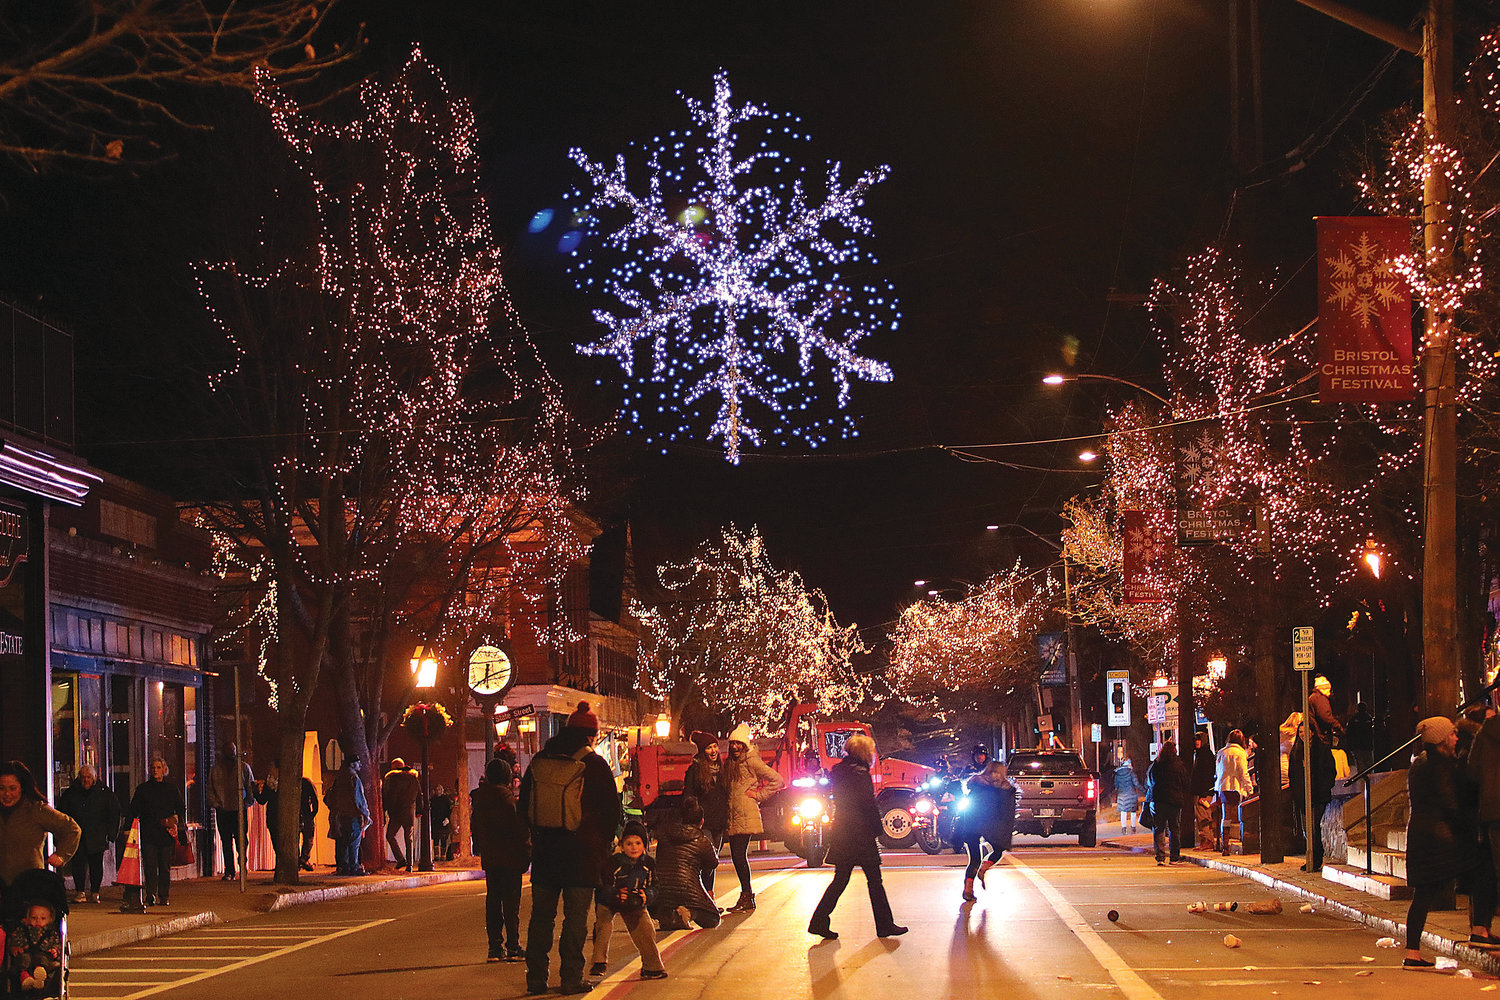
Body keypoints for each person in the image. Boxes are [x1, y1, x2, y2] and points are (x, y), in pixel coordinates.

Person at [521, 701, 622, 996]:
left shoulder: (540, 760)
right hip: (582, 855)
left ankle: (536, 978)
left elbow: (524, 804)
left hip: (546, 853)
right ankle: (570, 978)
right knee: (575, 919)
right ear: (591, 735)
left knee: (541, 918)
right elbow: (612, 813)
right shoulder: (594, 765)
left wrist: (536, 837)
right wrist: (603, 846)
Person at [1402, 716, 1498, 967]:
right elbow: (1450, 804)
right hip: (1442, 839)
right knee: (1484, 867)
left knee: (1422, 895)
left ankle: (1412, 952)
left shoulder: (1419, 764)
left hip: (1421, 837)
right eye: (1453, 734)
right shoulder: (1442, 766)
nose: (1456, 738)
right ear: (1443, 739)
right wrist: (1470, 826)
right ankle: (1479, 929)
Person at [807, 734, 906, 939]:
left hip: (843, 832)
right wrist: (878, 829)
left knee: (840, 879)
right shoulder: (860, 774)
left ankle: (819, 920)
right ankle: (884, 924)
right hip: (860, 834)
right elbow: (867, 804)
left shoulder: (840, 772)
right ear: (864, 753)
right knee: (874, 880)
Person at [588, 821, 665, 980]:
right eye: (629, 844)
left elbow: (655, 886)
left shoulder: (648, 864)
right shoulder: (612, 863)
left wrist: (646, 895)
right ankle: (599, 961)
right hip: (610, 899)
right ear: (622, 846)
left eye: (638, 843)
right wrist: (616, 894)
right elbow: (602, 888)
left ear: (644, 845)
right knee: (604, 924)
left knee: (646, 928)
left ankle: (652, 967)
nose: (634, 847)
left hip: (633, 900)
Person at [471, 757, 530, 963]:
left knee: (493, 901)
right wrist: (526, 853)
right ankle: (512, 945)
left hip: (491, 857)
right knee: (511, 904)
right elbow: (520, 831)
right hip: (510, 858)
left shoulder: (480, 801)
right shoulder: (509, 801)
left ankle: (494, 947)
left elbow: (476, 830)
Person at [722, 723, 784, 913]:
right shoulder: (732, 762)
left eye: (738, 744)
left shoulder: (751, 760)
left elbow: (777, 780)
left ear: (744, 745)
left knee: (739, 856)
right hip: (734, 814)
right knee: (737, 856)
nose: (734, 747)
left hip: (745, 814)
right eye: (732, 743)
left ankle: (747, 895)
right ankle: (746, 895)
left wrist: (758, 795)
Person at [0, 762, 80, 904]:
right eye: (2, 788)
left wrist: (61, 855)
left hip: (29, 887)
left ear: (22, 788)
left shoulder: (36, 810)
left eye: (12, 788)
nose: (7, 794)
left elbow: (72, 829)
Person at [651, 795, 722, 931]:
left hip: (662, 891)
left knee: (667, 902)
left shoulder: (665, 834)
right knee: (713, 918)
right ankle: (688, 912)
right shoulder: (702, 840)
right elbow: (713, 863)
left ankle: (670, 915)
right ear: (701, 821)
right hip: (687, 890)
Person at [124, 757, 187, 908]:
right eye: (153, 767)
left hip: (165, 834)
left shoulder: (171, 789)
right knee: (150, 866)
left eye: (158, 767)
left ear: (164, 770)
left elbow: (180, 807)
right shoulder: (143, 789)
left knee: (164, 867)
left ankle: (164, 895)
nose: (155, 770)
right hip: (149, 833)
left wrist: (179, 825)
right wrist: (127, 827)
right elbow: (133, 809)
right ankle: (150, 894)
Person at [57, 765, 119, 903]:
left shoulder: (104, 793)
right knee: (78, 865)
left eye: (88, 777)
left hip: (97, 835)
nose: (86, 780)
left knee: (96, 866)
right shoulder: (71, 793)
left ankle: (95, 892)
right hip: (77, 836)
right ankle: (80, 892)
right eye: (83, 777)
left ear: (94, 778)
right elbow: (62, 814)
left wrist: (111, 834)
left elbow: (113, 813)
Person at [956, 760, 1015, 901]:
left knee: (974, 858)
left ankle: (968, 888)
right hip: (992, 824)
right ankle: (984, 867)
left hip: (972, 824)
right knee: (998, 850)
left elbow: (968, 807)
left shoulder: (975, 785)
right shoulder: (1005, 789)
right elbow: (1007, 811)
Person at [255, 761, 319, 873]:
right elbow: (262, 799)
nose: (270, 770)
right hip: (278, 818)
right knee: (293, 839)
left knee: (299, 839)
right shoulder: (271, 784)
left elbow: (262, 799)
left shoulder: (286, 783)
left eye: (271, 767)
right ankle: (296, 861)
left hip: (282, 817)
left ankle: (298, 861)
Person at [683, 731, 728, 889]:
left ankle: (708, 893)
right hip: (704, 822)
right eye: (709, 748)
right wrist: (695, 815)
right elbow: (688, 795)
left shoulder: (722, 770)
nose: (713, 751)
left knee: (712, 860)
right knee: (707, 858)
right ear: (703, 751)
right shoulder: (695, 770)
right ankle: (704, 894)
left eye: (715, 746)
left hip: (719, 822)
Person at [206, 742, 255, 881]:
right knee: (226, 841)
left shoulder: (243, 768)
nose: (231, 753)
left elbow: (250, 787)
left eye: (232, 750)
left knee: (241, 840)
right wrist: (217, 804)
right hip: (223, 811)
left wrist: (245, 804)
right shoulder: (215, 770)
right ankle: (230, 870)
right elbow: (210, 789)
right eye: (228, 750)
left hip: (239, 810)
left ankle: (242, 865)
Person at [1146, 737, 1188, 866]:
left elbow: (1149, 781)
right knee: (1174, 828)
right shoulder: (1179, 766)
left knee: (1159, 828)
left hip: (1157, 800)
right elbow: (1185, 782)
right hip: (1174, 801)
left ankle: (1160, 857)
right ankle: (1174, 857)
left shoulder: (1156, 765)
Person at [324, 757, 369, 876]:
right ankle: (354, 867)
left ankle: (344, 867)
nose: (360, 765)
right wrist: (366, 814)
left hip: (340, 815)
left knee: (342, 842)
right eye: (358, 762)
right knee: (354, 842)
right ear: (352, 764)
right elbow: (358, 798)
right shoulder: (353, 778)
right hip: (352, 814)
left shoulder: (339, 777)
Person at [7, 900, 62, 993]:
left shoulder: (51, 931)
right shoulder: (23, 929)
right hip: (27, 954)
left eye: (43, 918)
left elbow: (56, 943)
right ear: (28, 918)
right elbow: (17, 939)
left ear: (50, 919)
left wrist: (55, 950)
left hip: (44, 956)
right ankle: (25, 977)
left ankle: (40, 973)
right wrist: (17, 947)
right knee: (23, 959)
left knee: (42, 959)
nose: (38, 921)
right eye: (33, 918)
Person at [1214, 730, 1254, 855]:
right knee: (1241, 816)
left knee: (1226, 817)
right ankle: (1242, 840)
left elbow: (1218, 771)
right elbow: (1243, 773)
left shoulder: (1221, 752)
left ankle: (1224, 845)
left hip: (1223, 787)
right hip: (1236, 787)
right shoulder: (1240, 753)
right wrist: (1249, 788)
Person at [380, 758, 421, 871]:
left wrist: (386, 809)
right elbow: (418, 795)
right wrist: (419, 810)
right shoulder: (413, 778)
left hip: (396, 812)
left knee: (390, 835)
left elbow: (388, 796)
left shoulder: (391, 779)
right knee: (409, 838)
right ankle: (410, 864)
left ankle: (401, 859)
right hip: (408, 811)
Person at [1191, 730, 1218, 849]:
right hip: (1201, 790)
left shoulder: (1205, 755)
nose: (1197, 742)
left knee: (1203, 816)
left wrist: (1203, 793)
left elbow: (1206, 775)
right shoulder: (1200, 754)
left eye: (1199, 739)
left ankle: (1207, 840)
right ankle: (1206, 840)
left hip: (1204, 791)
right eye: (1196, 740)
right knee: (1201, 815)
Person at [1345, 702, 1376, 777]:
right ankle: (1370, 780)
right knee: (1369, 764)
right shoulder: (1369, 718)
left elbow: (1349, 732)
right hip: (1367, 745)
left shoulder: (1353, 719)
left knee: (1360, 764)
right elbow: (1371, 733)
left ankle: (1363, 779)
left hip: (1358, 746)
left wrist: (1350, 745)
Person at [1113, 755, 1142, 835]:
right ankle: (1133, 828)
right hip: (1131, 794)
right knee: (1133, 812)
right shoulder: (1131, 773)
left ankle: (1123, 829)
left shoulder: (1117, 774)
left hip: (1122, 795)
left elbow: (1116, 785)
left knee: (1123, 812)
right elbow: (1136, 783)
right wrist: (1144, 790)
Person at [430, 784, 454, 862]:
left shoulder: (446, 799)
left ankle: (443, 855)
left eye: (440, 789)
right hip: (435, 821)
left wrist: (447, 818)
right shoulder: (433, 799)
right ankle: (436, 856)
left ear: (442, 790)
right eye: (437, 790)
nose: (438, 791)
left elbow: (449, 810)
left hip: (444, 821)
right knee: (436, 839)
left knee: (444, 839)